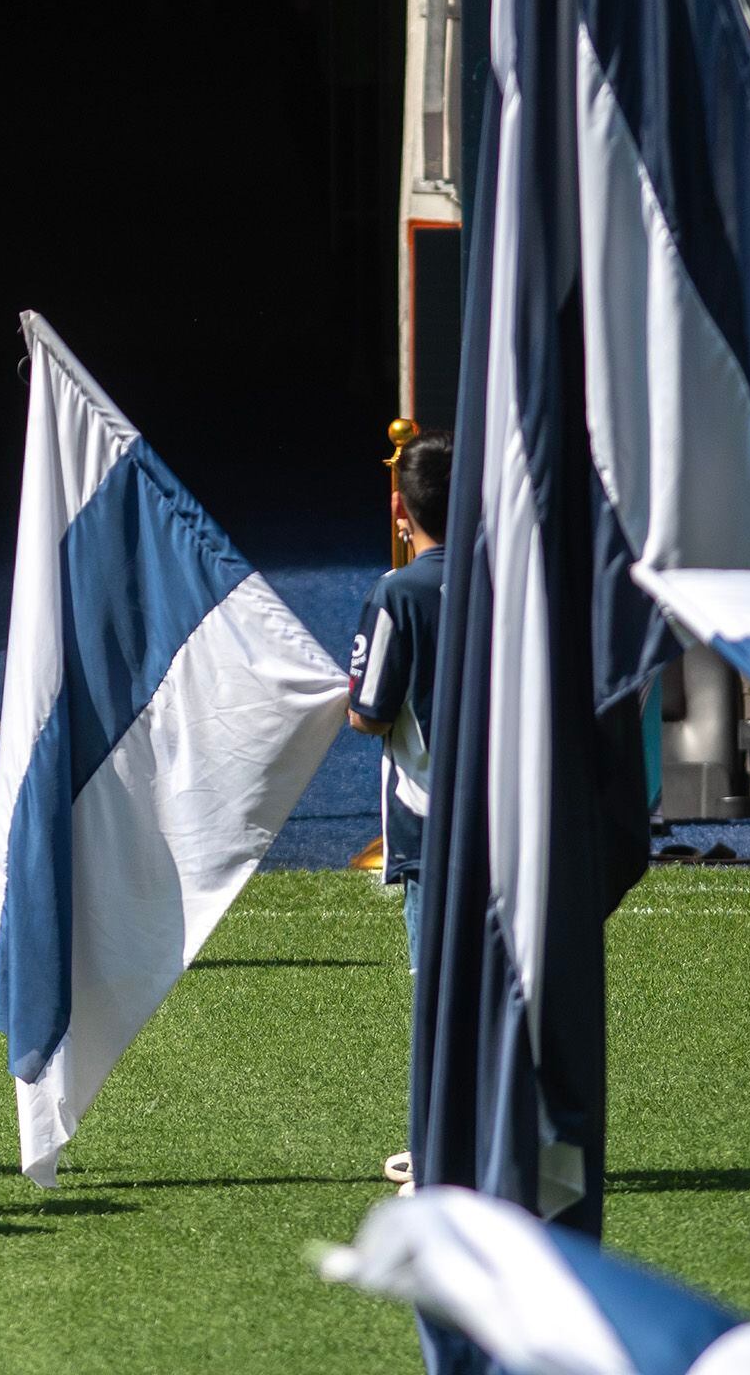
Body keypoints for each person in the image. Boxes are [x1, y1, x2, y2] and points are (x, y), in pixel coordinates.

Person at [347, 428, 449, 1192]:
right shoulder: (515, 578)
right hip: (520, 819)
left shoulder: (399, 592)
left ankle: (441, 1148)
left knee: (437, 990)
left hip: (430, 823)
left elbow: (371, 710)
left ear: (399, 505)